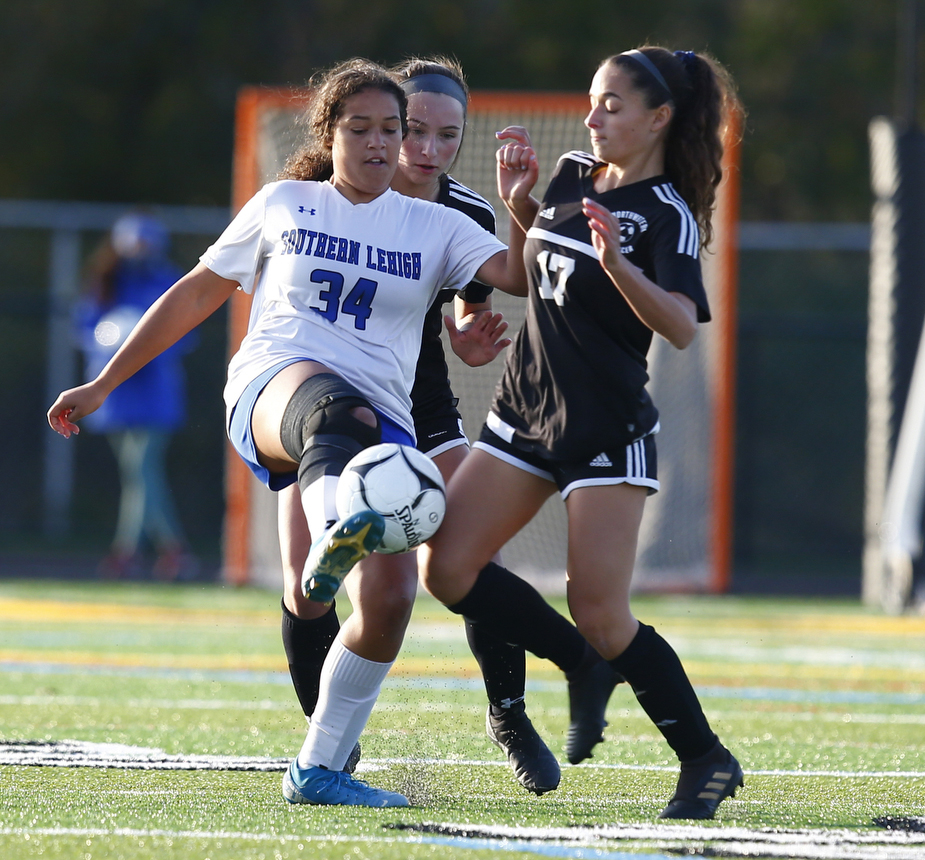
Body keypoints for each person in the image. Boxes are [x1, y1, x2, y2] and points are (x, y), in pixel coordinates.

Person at [47, 58, 530, 808]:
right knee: (337, 413)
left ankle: (319, 768)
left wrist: (524, 205)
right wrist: (104, 382)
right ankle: (344, 521)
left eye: (390, 130)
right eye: (362, 128)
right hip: (277, 392)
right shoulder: (286, 203)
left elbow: (521, 277)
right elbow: (193, 295)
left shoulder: (438, 222)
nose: (381, 143)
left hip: (385, 417)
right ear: (328, 132)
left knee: (395, 592)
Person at [422, 46, 746, 820]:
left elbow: (679, 326)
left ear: (659, 118)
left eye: (613, 105)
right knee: (447, 567)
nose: (594, 117)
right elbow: (546, 272)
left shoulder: (665, 210)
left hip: (605, 428)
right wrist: (522, 205)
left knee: (601, 613)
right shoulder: (571, 173)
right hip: (523, 412)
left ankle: (705, 758)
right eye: (593, 101)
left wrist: (621, 264)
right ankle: (576, 667)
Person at [275, 57, 569, 796]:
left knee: (471, 552)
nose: (426, 149)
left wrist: (469, 329)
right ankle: (332, 748)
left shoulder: (464, 211)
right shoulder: (318, 196)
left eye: (447, 135)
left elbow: (480, 294)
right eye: (413, 130)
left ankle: (509, 712)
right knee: (308, 588)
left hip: (417, 404)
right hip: (314, 401)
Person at [75, 213, 196, 581]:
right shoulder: (105, 283)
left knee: (142, 468)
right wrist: (107, 344)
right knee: (136, 473)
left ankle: (131, 552)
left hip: (156, 390)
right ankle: (169, 551)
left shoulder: (167, 280)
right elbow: (84, 328)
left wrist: (149, 348)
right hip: (116, 392)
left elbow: (186, 333)